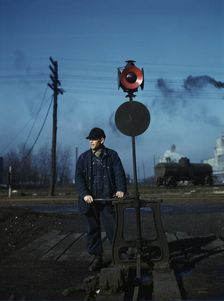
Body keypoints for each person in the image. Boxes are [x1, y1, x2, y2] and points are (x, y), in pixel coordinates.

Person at [75, 127, 127, 272]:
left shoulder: (112, 155)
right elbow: (78, 178)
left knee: (113, 229)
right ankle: (95, 258)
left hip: (107, 201)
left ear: (102, 140)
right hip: (89, 202)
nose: (91, 141)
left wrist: (120, 189)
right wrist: (84, 194)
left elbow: (119, 174)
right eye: (89, 139)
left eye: (93, 139)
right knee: (92, 230)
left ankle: (120, 254)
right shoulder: (83, 158)